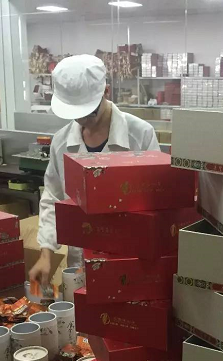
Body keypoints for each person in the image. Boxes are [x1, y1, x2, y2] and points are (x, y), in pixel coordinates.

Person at [29, 54, 161, 286]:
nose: (81, 119)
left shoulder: (141, 135)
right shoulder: (61, 142)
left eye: (88, 112)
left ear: (106, 92)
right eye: (74, 113)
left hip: (130, 257)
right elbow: (53, 198)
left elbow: (158, 203)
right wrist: (46, 252)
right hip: (80, 260)